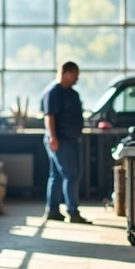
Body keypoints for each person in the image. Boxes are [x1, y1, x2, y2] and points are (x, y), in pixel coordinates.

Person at [41, 61, 90, 224]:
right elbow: (50, 116)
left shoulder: (73, 94)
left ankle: (53, 210)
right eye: (75, 74)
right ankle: (73, 211)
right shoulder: (54, 93)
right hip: (60, 140)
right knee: (71, 174)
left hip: (72, 139)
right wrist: (53, 137)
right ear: (66, 73)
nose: (77, 78)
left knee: (56, 175)